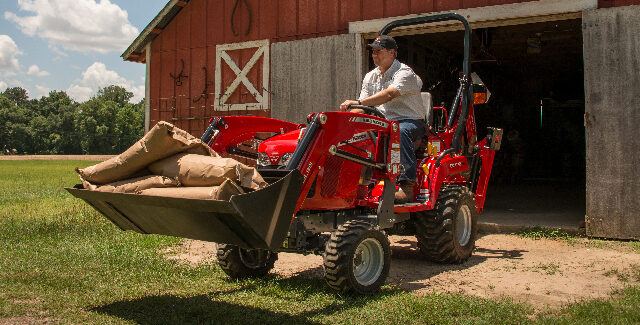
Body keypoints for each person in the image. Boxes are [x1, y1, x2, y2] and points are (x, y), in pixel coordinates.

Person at [340, 35, 425, 203]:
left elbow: (389, 94)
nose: (374, 55)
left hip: (409, 122)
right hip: (382, 123)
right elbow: (362, 106)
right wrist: (345, 121)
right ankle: (356, 183)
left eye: (378, 51)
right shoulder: (370, 77)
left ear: (392, 52)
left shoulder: (405, 73)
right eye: (373, 52)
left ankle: (407, 186)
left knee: (399, 131)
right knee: (357, 137)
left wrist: (357, 102)